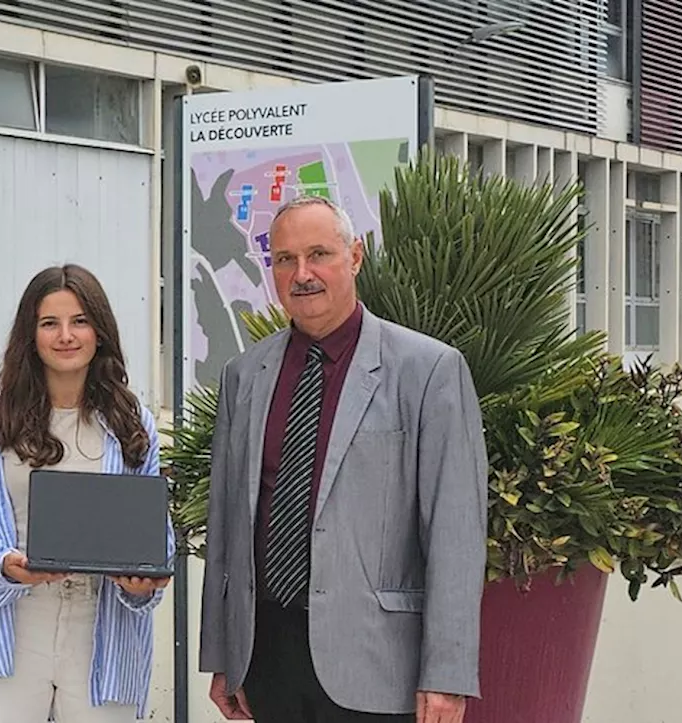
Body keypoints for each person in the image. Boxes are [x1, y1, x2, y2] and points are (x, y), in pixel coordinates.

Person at [198, 195, 488, 723]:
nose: (301, 274)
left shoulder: (428, 371)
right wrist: (223, 657)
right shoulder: (244, 376)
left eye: (319, 255)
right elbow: (226, 528)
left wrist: (447, 672)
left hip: (378, 664)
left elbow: (456, 534)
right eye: (285, 259)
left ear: (355, 256)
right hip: (266, 659)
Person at [0, 264, 173, 723]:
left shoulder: (133, 423)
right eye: (50, 323)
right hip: (16, 624)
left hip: (102, 629)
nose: (66, 336)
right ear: (30, 335)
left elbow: (155, 534)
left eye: (80, 321)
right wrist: (5, 567)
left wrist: (143, 580)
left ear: (100, 332)